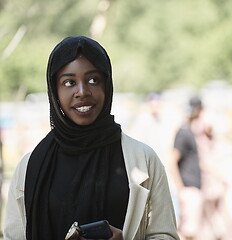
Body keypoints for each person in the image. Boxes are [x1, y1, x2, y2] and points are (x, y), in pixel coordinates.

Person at [3, 36, 179, 240]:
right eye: (69, 82)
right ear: (55, 91)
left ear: (107, 85)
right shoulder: (30, 167)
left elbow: (166, 235)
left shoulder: (143, 160)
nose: (82, 92)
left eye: (93, 80)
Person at [169, 96, 203, 240]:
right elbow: (172, 161)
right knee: (186, 232)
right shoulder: (183, 133)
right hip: (187, 188)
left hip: (191, 187)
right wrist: (181, 189)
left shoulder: (188, 131)